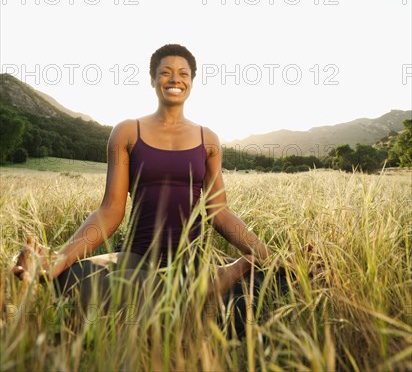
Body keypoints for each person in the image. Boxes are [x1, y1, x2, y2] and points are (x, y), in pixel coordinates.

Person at [12, 43, 290, 337]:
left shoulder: (208, 139)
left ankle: (215, 279)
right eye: (166, 72)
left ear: (192, 82)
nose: (175, 79)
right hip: (135, 255)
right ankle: (215, 281)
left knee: (274, 284)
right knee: (68, 279)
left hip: (187, 259)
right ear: (152, 79)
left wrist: (267, 256)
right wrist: (60, 259)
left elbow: (218, 212)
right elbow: (110, 211)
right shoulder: (127, 132)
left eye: (183, 73)